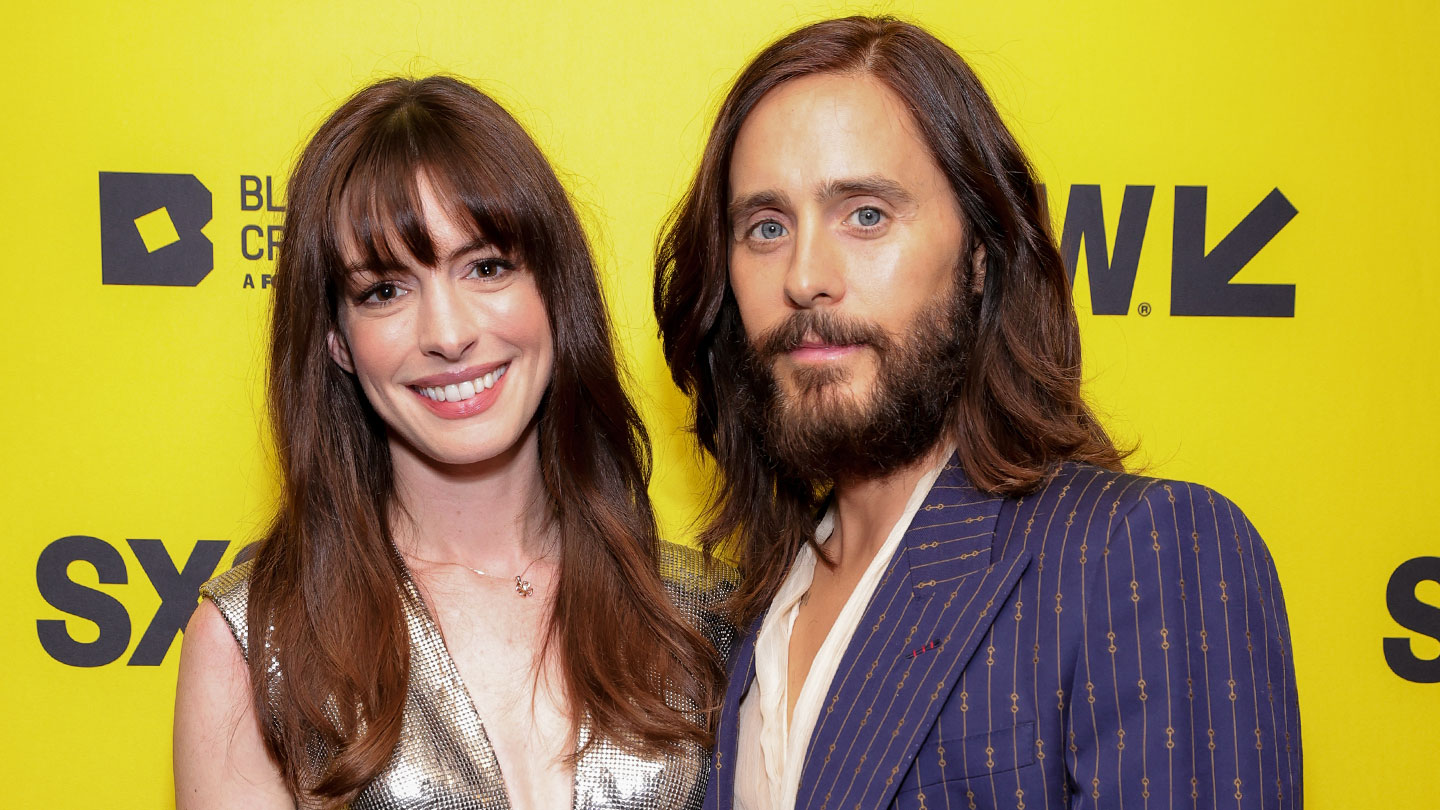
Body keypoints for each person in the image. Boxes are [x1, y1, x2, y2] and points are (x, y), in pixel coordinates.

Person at [654, 16, 1301, 810]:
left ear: (980, 258)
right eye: (766, 227)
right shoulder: (746, 622)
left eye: (866, 215)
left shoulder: (1136, 556)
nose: (805, 276)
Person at [174, 75, 732, 810]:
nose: (448, 333)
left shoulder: (701, 614)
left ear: (553, 294)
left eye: (487, 267)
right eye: (385, 290)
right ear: (337, 340)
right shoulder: (259, 641)